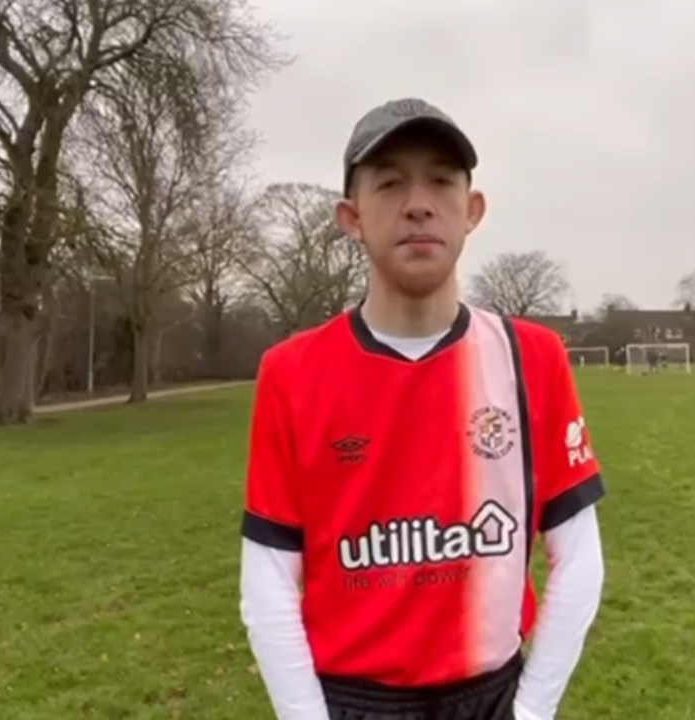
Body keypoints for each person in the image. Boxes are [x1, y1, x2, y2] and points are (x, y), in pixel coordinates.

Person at [239, 98, 606, 720]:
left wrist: (531, 710)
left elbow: (579, 558)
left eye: (440, 180)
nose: (418, 202)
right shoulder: (291, 372)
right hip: (353, 702)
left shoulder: (532, 358)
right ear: (352, 217)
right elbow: (269, 580)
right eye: (389, 183)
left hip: (493, 696)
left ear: (473, 210)